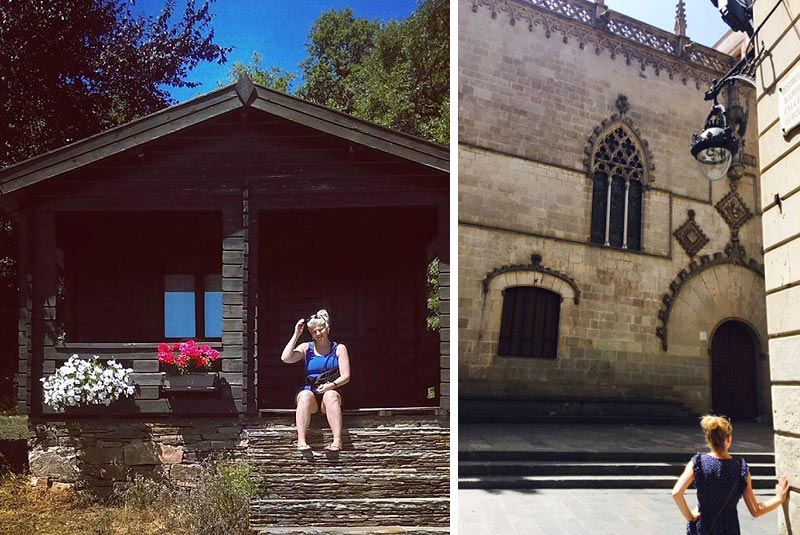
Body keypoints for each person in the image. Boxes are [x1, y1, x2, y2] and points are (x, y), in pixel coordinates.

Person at [672, 414, 790, 534]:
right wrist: (779, 498)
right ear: (729, 439)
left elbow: (677, 493)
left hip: (703, 527)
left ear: (709, 439)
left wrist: (690, 517)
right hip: (729, 528)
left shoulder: (698, 463)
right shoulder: (740, 468)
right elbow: (756, 510)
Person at [280, 309, 351, 452]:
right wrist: (296, 334)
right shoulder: (307, 348)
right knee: (304, 396)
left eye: (321, 329)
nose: (318, 334)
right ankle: (301, 440)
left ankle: (337, 441)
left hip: (331, 391)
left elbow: (346, 376)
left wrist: (331, 385)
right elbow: (286, 358)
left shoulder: (339, 348)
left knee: (330, 396)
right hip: (311, 391)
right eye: (314, 332)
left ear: (328, 328)